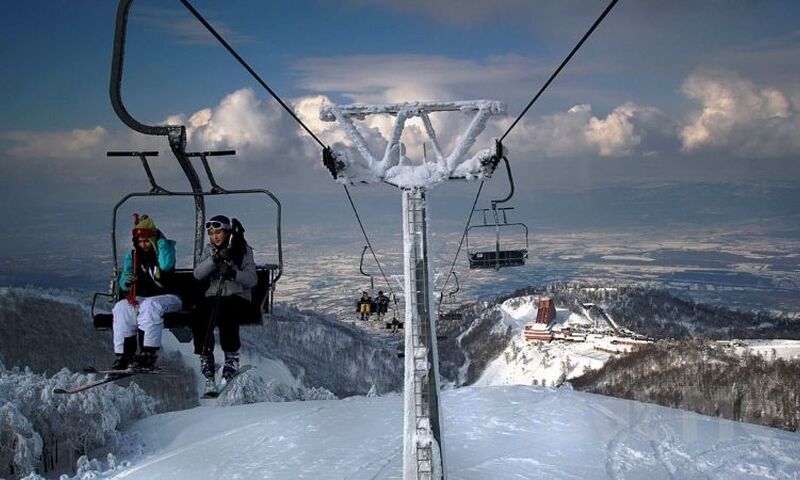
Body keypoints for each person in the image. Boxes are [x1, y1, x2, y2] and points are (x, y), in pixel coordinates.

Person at [193, 215, 257, 396]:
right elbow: (198, 274)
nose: (215, 237)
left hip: (238, 299)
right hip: (214, 298)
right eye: (211, 233)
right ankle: (206, 355)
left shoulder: (242, 250)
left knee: (225, 310)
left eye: (218, 232)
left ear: (227, 232)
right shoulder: (209, 251)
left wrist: (232, 273)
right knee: (199, 312)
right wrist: (214, 260)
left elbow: (252, 279)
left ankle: (231, 357)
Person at [111, 214, 181, 372]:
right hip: (143, 297)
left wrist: (160, 241)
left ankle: (148, 353)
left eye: (146, 241)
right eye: (140, 242)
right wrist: (126, 282)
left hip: (169, 296)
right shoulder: (134, 256)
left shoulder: (164, 251)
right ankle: (124, 355)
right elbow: (124, 282)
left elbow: (166, 265)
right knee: (123, 307)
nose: (144, 245)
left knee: (151, 306)